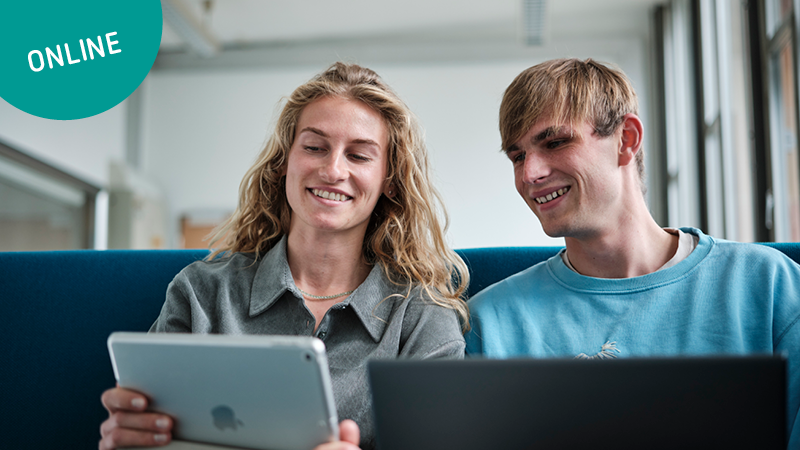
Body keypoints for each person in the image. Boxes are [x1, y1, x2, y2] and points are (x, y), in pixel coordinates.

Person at [99, 62, 470, 450]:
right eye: (314, 147)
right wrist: (127, 441)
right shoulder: (201, 292)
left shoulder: (422, 315)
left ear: (389, 181)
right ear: (283, 162)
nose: (333, 169)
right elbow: (150, 432)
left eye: (359, 156)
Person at [464, 58, 800, 447]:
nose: (529, 174)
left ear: (626, 139)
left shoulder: (770, 286)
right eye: (517, 156)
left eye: (555, 142)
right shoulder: (489, 323)